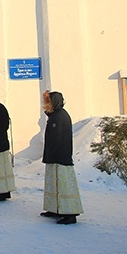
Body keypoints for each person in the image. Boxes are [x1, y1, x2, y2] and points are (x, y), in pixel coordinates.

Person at [41, 90, 83, 225]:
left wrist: (53, 153)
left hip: (60, 157)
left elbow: (58, 138)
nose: (45, 104)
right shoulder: (55, 115)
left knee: (63, 185)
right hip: (54, 156)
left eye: (47, 101)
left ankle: (69, 213)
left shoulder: (60, 116)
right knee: (53, 184)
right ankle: (55, 209)